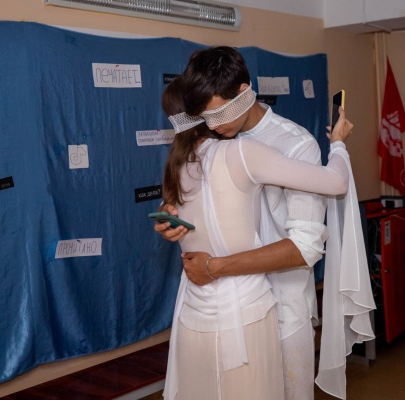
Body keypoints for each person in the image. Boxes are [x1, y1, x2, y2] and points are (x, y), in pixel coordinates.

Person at [156, 46, 373, 400]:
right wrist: (174, 217)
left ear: (244, 92)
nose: (213, 124)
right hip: (220, 305)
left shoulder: (295, 144)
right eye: (204, 117)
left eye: (218, 113)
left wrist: (215, 267)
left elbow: (305, 247)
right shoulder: (214, 141)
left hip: (282, 306)